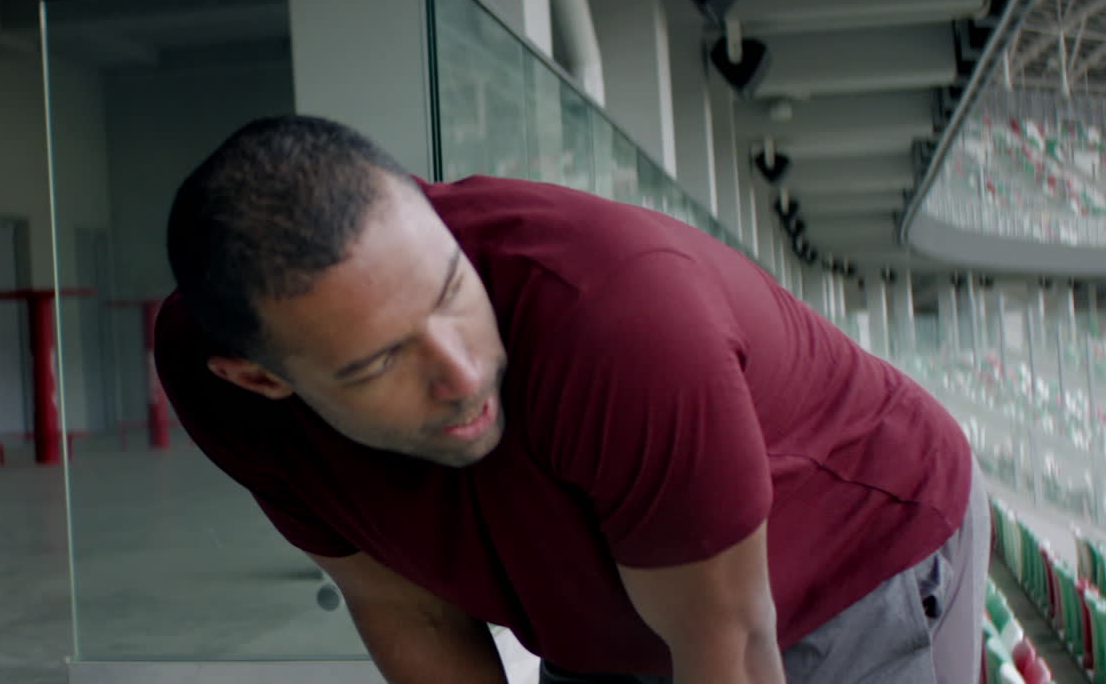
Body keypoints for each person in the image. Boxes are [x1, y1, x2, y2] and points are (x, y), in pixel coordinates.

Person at [157, 114, 989, 683]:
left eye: (453, 290)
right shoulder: (217, 383)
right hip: (603, 615)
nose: (464, 372)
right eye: (381, 361)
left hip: (850, 562)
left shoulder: (620, 318)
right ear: (260, 380)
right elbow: (407, 612)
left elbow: (727, 644)